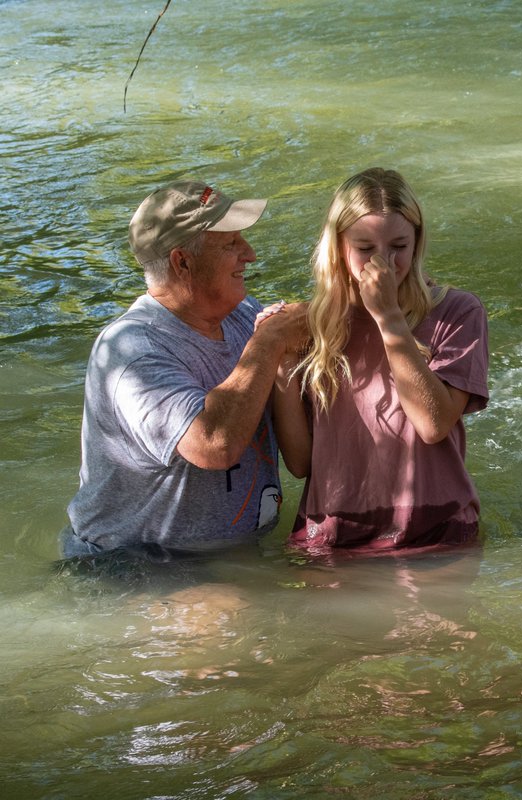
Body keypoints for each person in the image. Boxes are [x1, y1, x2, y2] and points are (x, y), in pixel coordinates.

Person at [63, 181, 310, 558]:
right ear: (183, 262)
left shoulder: (244, 316)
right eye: (230, 245)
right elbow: (214, 444)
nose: (251, 254)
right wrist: (270, 342)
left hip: (230, 559)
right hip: (132, 568)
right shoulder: (132, 351)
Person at [271, 167, 489, 556]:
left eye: (398, 247)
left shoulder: (457, 312)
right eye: (365, 248)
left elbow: (434, 424)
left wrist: (388, 317)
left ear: (418, 242)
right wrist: (282, 358)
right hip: (334, 534)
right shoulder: (313, 323)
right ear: (338, 246)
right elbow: (302, 463)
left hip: (433, 531)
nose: (384, 263)